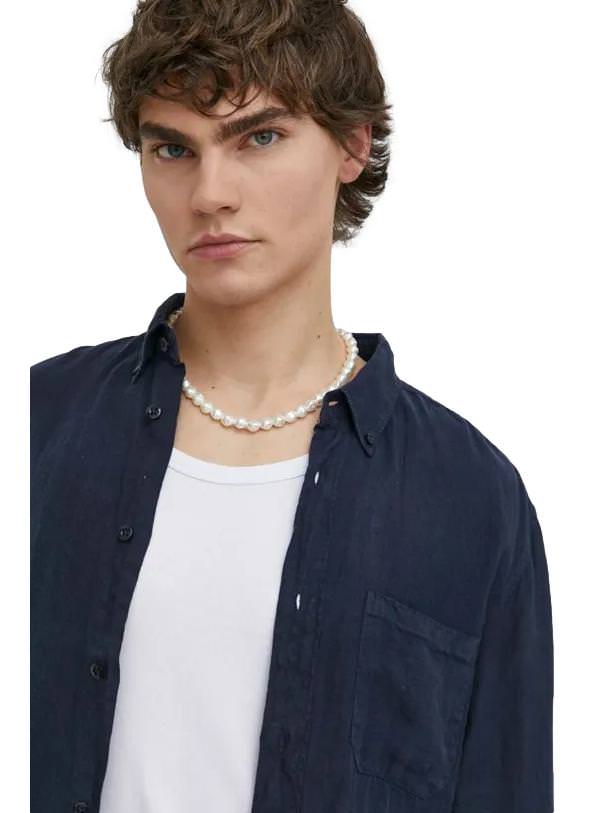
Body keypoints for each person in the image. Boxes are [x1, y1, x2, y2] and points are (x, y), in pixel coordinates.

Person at [30, 2, 554, 812]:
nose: (210, 194)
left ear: (352, 145)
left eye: (260, 137)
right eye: (174, 149)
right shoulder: (38, 425)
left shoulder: (472, 498)